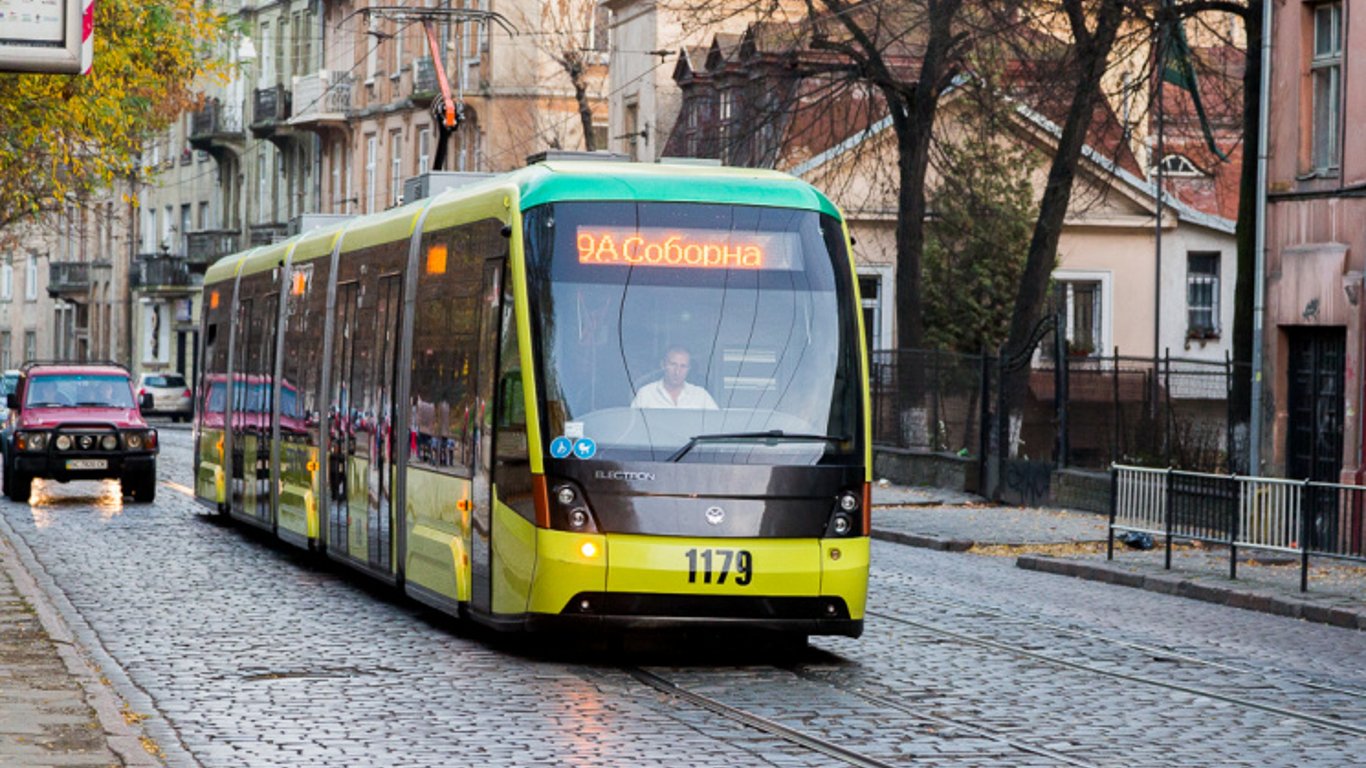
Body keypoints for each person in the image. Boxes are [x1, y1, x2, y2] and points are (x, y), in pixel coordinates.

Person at [631, 345, 719, 409]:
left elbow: (716, 424)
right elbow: (633, 427)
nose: (677, 371)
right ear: (663, 365)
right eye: (673, 364)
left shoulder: (701, 396)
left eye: (683, 366)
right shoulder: (646, 394)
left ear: (689, 369)